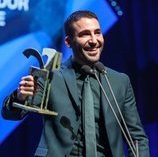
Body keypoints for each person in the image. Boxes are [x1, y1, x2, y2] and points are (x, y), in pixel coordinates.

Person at [1, 10, 149, 157]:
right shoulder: (51, 77)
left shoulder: (119, 81)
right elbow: (11, 114)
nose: (93, 40)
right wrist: (20, 97)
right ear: (68, 42)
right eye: (85, 34)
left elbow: (136, 137)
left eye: (97, 32)